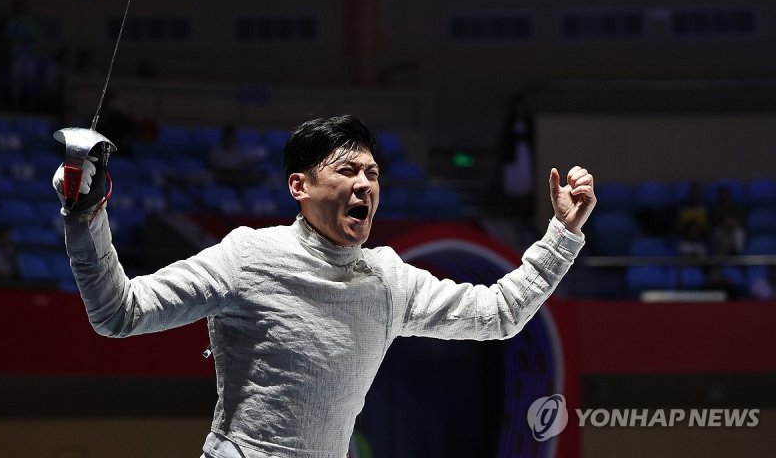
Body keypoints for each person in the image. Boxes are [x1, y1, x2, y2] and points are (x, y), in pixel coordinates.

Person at [52, 115, 596, 458]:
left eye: (374, 174)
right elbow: (118, 312)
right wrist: (86, 214)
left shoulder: (388, 279)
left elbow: (500, 312)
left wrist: (562, 233)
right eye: (346, 170)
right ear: (300, 186)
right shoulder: (249, 256)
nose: (364, 183)